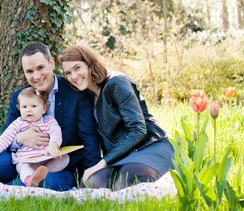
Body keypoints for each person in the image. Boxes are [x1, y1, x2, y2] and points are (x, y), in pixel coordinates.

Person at [0, 41, 101, 190]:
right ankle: (23, 180)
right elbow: (6, 133)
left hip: (59, 164)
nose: (36, 76)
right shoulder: (20, 96)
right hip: (24, 158)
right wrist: (20, 139)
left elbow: (89, 138)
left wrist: (90, 175)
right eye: (30, 71)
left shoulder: (76, 93)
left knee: (49, 182)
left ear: (51, 63)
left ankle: (4, 189)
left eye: (41, 68)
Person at [59, 44, 175, 190]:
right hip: (120, 156)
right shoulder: (86, 96)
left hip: (148, 147)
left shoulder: (116, 82)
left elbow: (138, 130)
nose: (74, 76)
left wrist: (101, 163)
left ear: (89, 63)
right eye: (68, 73)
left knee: (124, 184)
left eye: (77, 68)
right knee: (93, 183)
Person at [0, 87, 68, 187]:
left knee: (64, 158)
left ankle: (41, 173)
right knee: (23, 168)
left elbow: (56, 133)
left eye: (33, 106)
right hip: (25, 160)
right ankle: (29, 180)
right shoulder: (19, 123)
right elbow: (6, 136)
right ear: (19, 108)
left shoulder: (48, 121)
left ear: (44, 109)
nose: (28, 110)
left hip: (45, 157)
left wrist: (53, 145)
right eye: (24, 107)